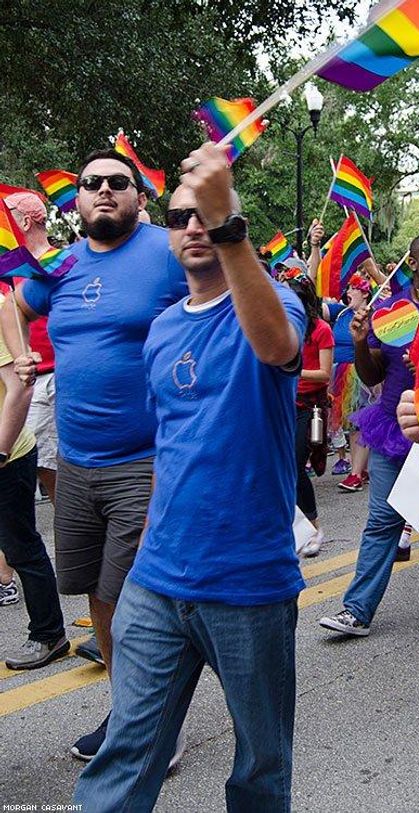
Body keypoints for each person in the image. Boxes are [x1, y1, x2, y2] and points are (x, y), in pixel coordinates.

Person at [74, 142, 307, 810]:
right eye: (182, 218)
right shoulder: (161, 330)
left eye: (208, 214)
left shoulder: (274, 302)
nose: (195, 227)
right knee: (126, 754)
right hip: (157, 582)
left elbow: (277, 346)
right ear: (167, 233)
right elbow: (170, 447)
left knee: (260, 766)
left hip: (248, 586)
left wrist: (228, 222)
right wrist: (148, 546)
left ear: (232, 221)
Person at [1, 149, 188, 760]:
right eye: (91, 183)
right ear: (76, 198)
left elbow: (228, 304)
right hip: (76, 464)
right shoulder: (62, 264)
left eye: (117, 182)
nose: (104, 190)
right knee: (98, 596)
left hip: (147, 459)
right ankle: (127, 708)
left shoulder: (166, 251)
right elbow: (12, 304)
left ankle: (154, 728)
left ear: (139, 195)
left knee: (137, 598)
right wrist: (18, 359)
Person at [318, 232, 419, 638]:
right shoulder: (391, 310)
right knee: (383, 520)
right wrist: (359, 343)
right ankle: (357, 610)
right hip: (393, 428)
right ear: (413, 264)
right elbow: (373, 375)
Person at [0, 290, 68, 670]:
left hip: (9, 455)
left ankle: (48, 633)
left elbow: (18, 388)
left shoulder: (1, 311)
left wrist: (0, 452)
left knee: (22, 548)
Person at [4, 193, 59, 503]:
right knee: (44, 460)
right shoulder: (8, 270)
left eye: (7, 216)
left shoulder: (63, 261)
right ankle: (67, 516)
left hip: (65, 374)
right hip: (30, 380)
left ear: (25, 222)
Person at [287, 274, 334, 556]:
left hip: (312, 407)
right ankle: (293, 528)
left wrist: (294, 370)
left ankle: (315, 527)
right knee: (281, 467)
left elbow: (325, 374)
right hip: (285, 404)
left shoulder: (321, 329)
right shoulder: (286, 327)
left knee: (296, 466)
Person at [326, 274, 372, 489]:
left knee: (359, 424)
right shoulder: (341, 312)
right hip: (339, 374)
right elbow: (313, 305)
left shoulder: (374, 312)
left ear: (365, 293)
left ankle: (356, 473)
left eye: (354, 288)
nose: (348, 292)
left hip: (361, 374)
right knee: (352, 425)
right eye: (349, 289)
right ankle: (360, 469)